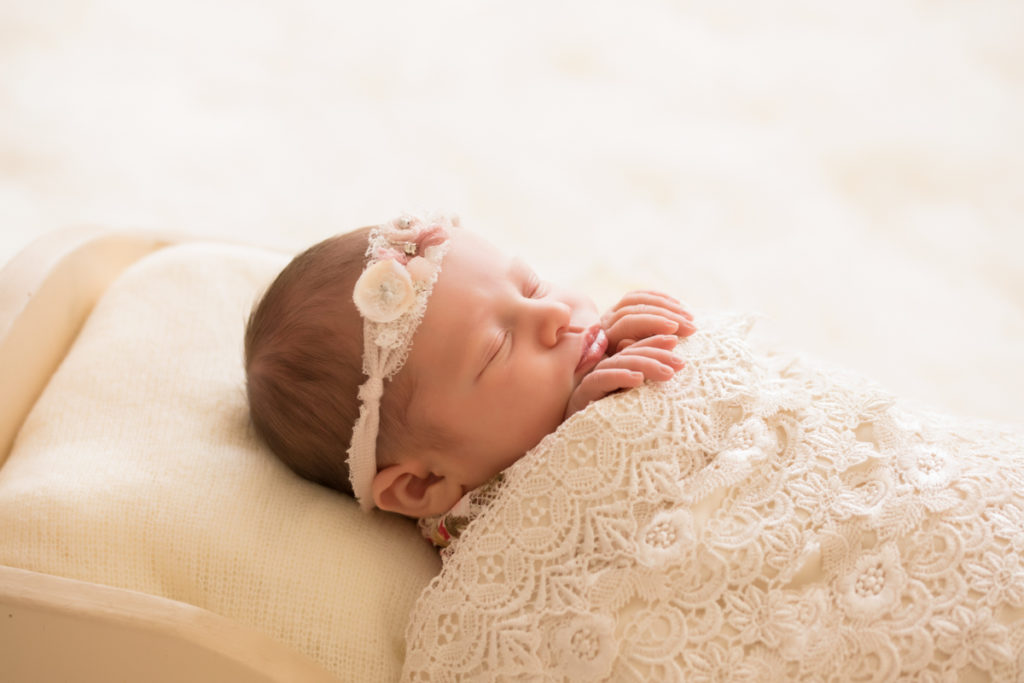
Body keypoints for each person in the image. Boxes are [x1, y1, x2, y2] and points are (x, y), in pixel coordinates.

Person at [244, 211, 696, 519]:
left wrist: (630, 334)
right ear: (423, 486)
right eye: (498, 347)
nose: (555, 314)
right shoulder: (473, 533)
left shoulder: (575, 351)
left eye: (532, 286)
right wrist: (584, 437)